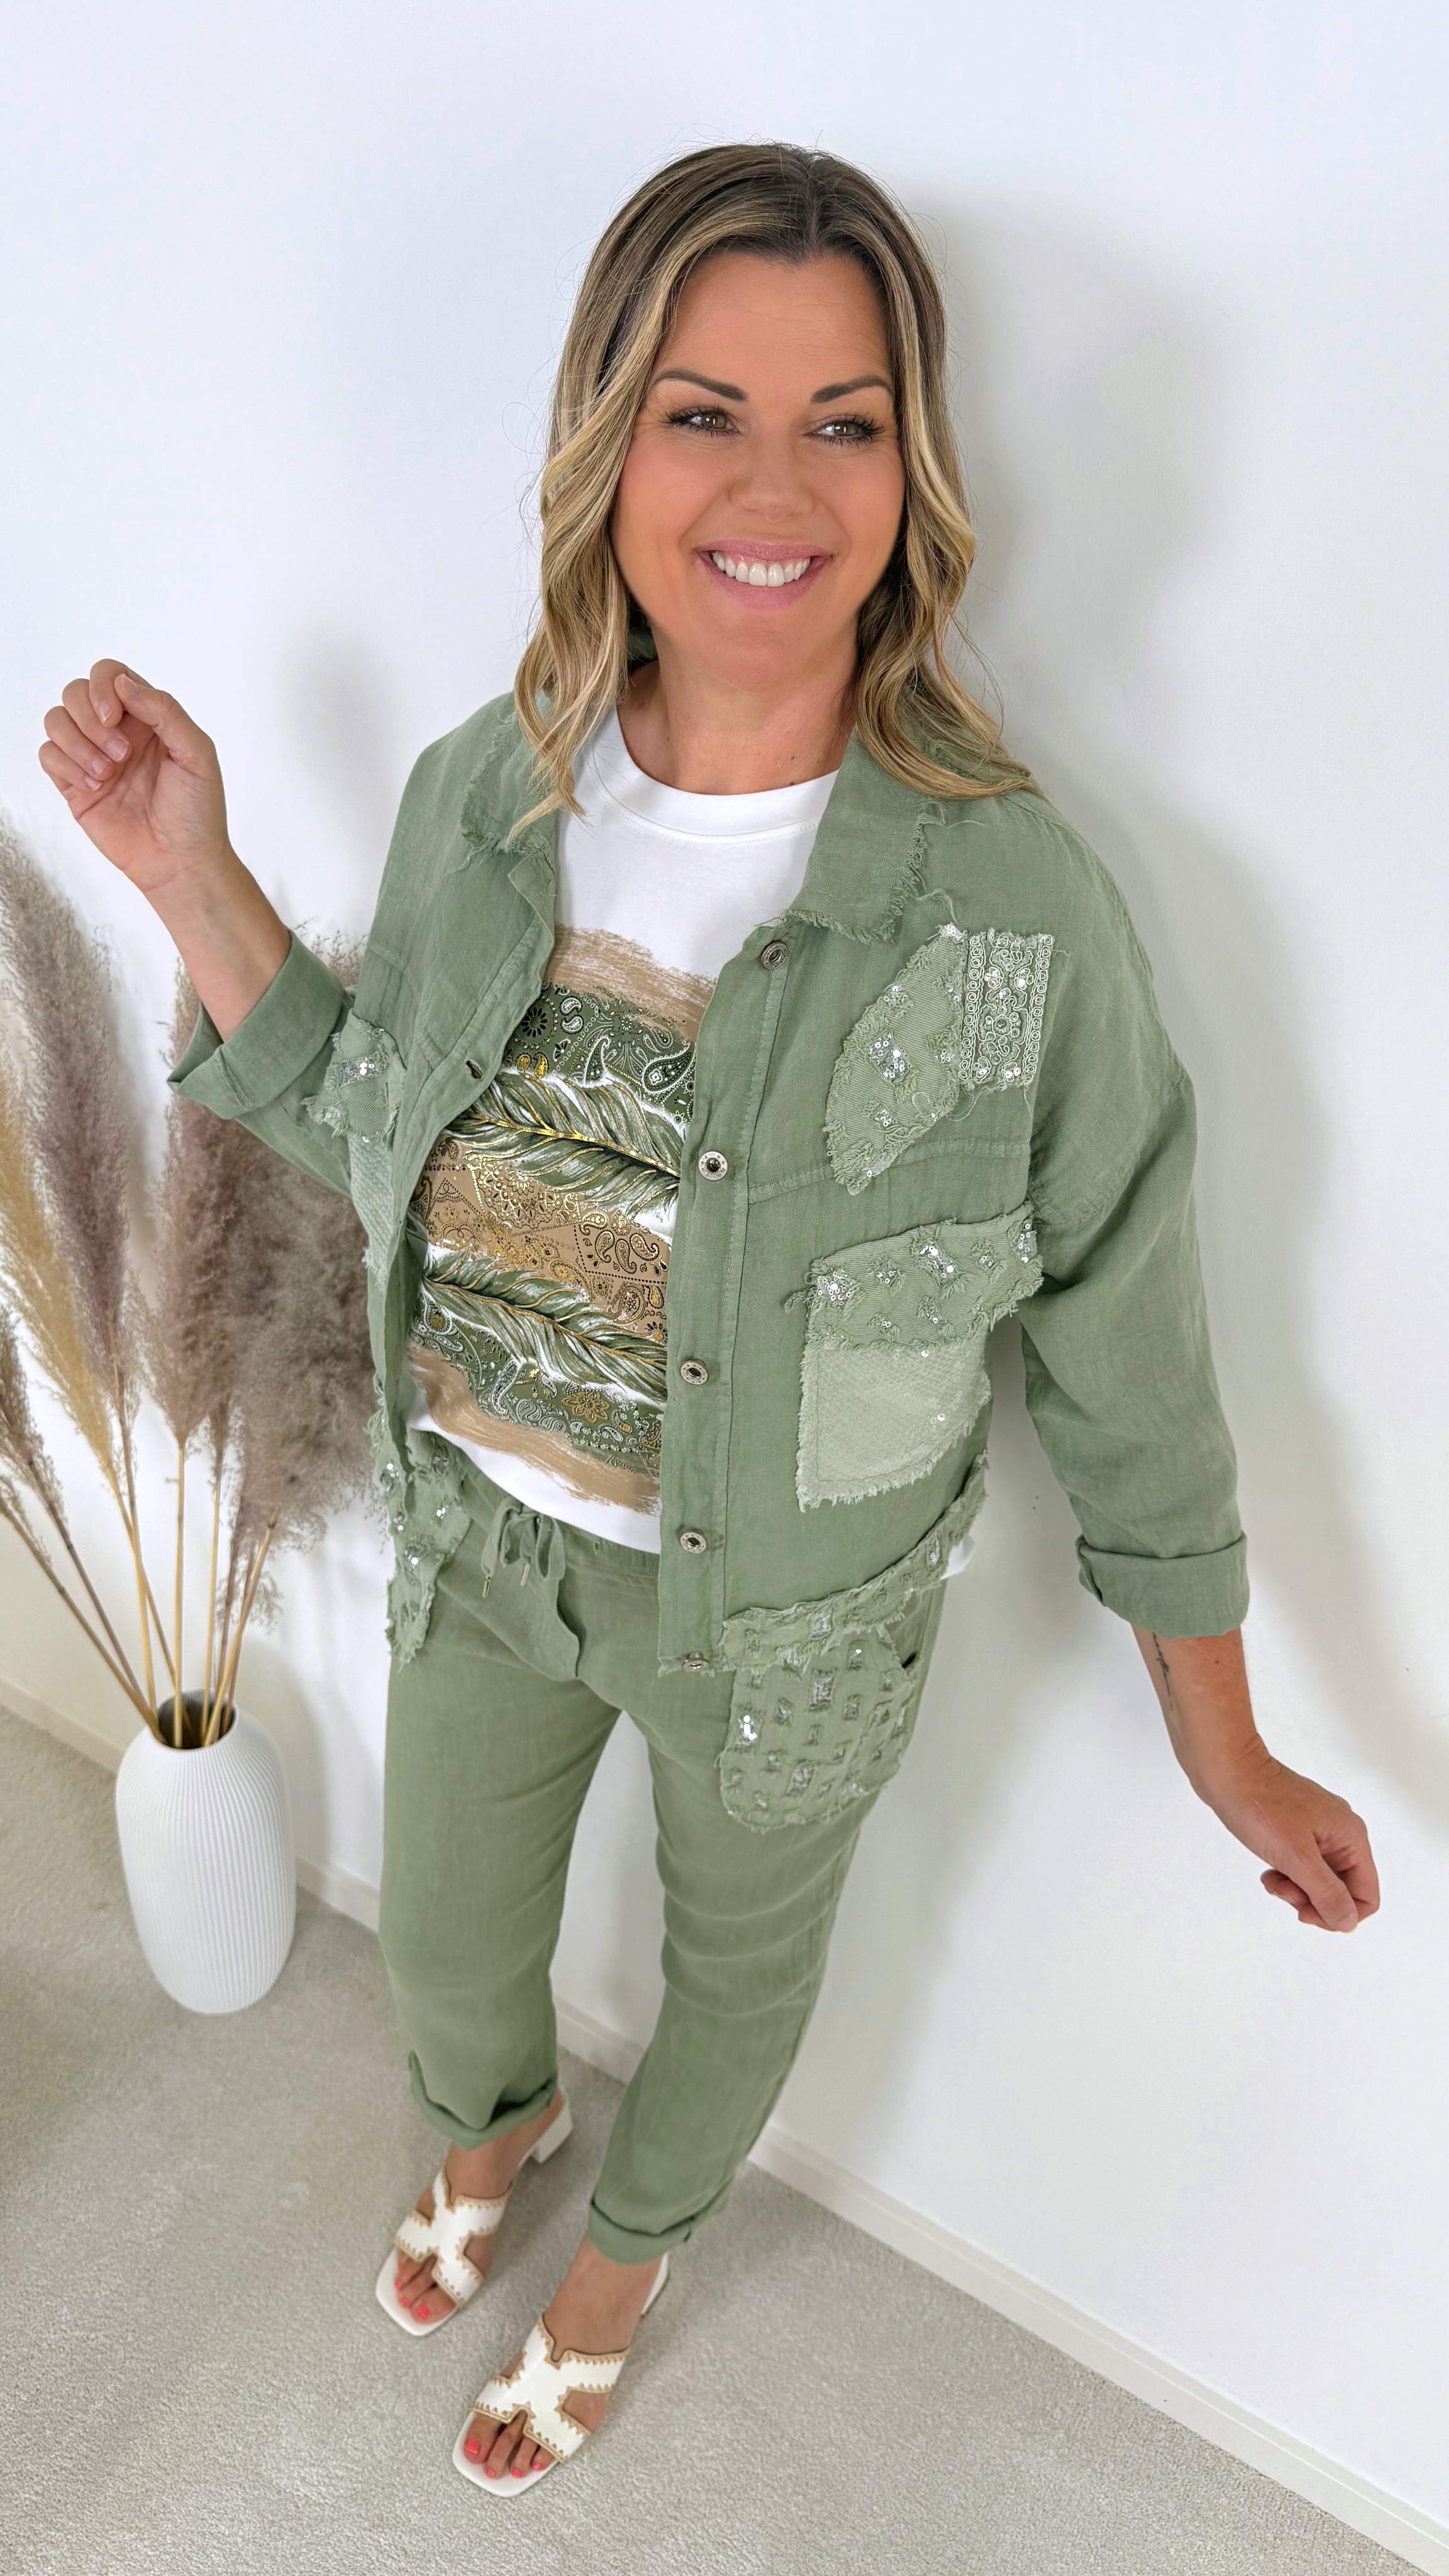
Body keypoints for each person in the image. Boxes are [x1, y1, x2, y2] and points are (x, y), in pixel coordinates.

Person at [39, 141, 1378, 2497]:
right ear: (608, 446)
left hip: (792, 1631)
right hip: (487, 1560)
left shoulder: (1015, 907)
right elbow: (369, 1123)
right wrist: (190, 874)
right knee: (449, 1949)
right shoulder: (489, 798)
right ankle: (495, 2121)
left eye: (844, 422)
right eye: (703, 414)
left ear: (914, 472)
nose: (775, 488)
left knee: (738, 1987)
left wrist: (1226, 1742)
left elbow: (1131, 1335)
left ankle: (627, 2263)